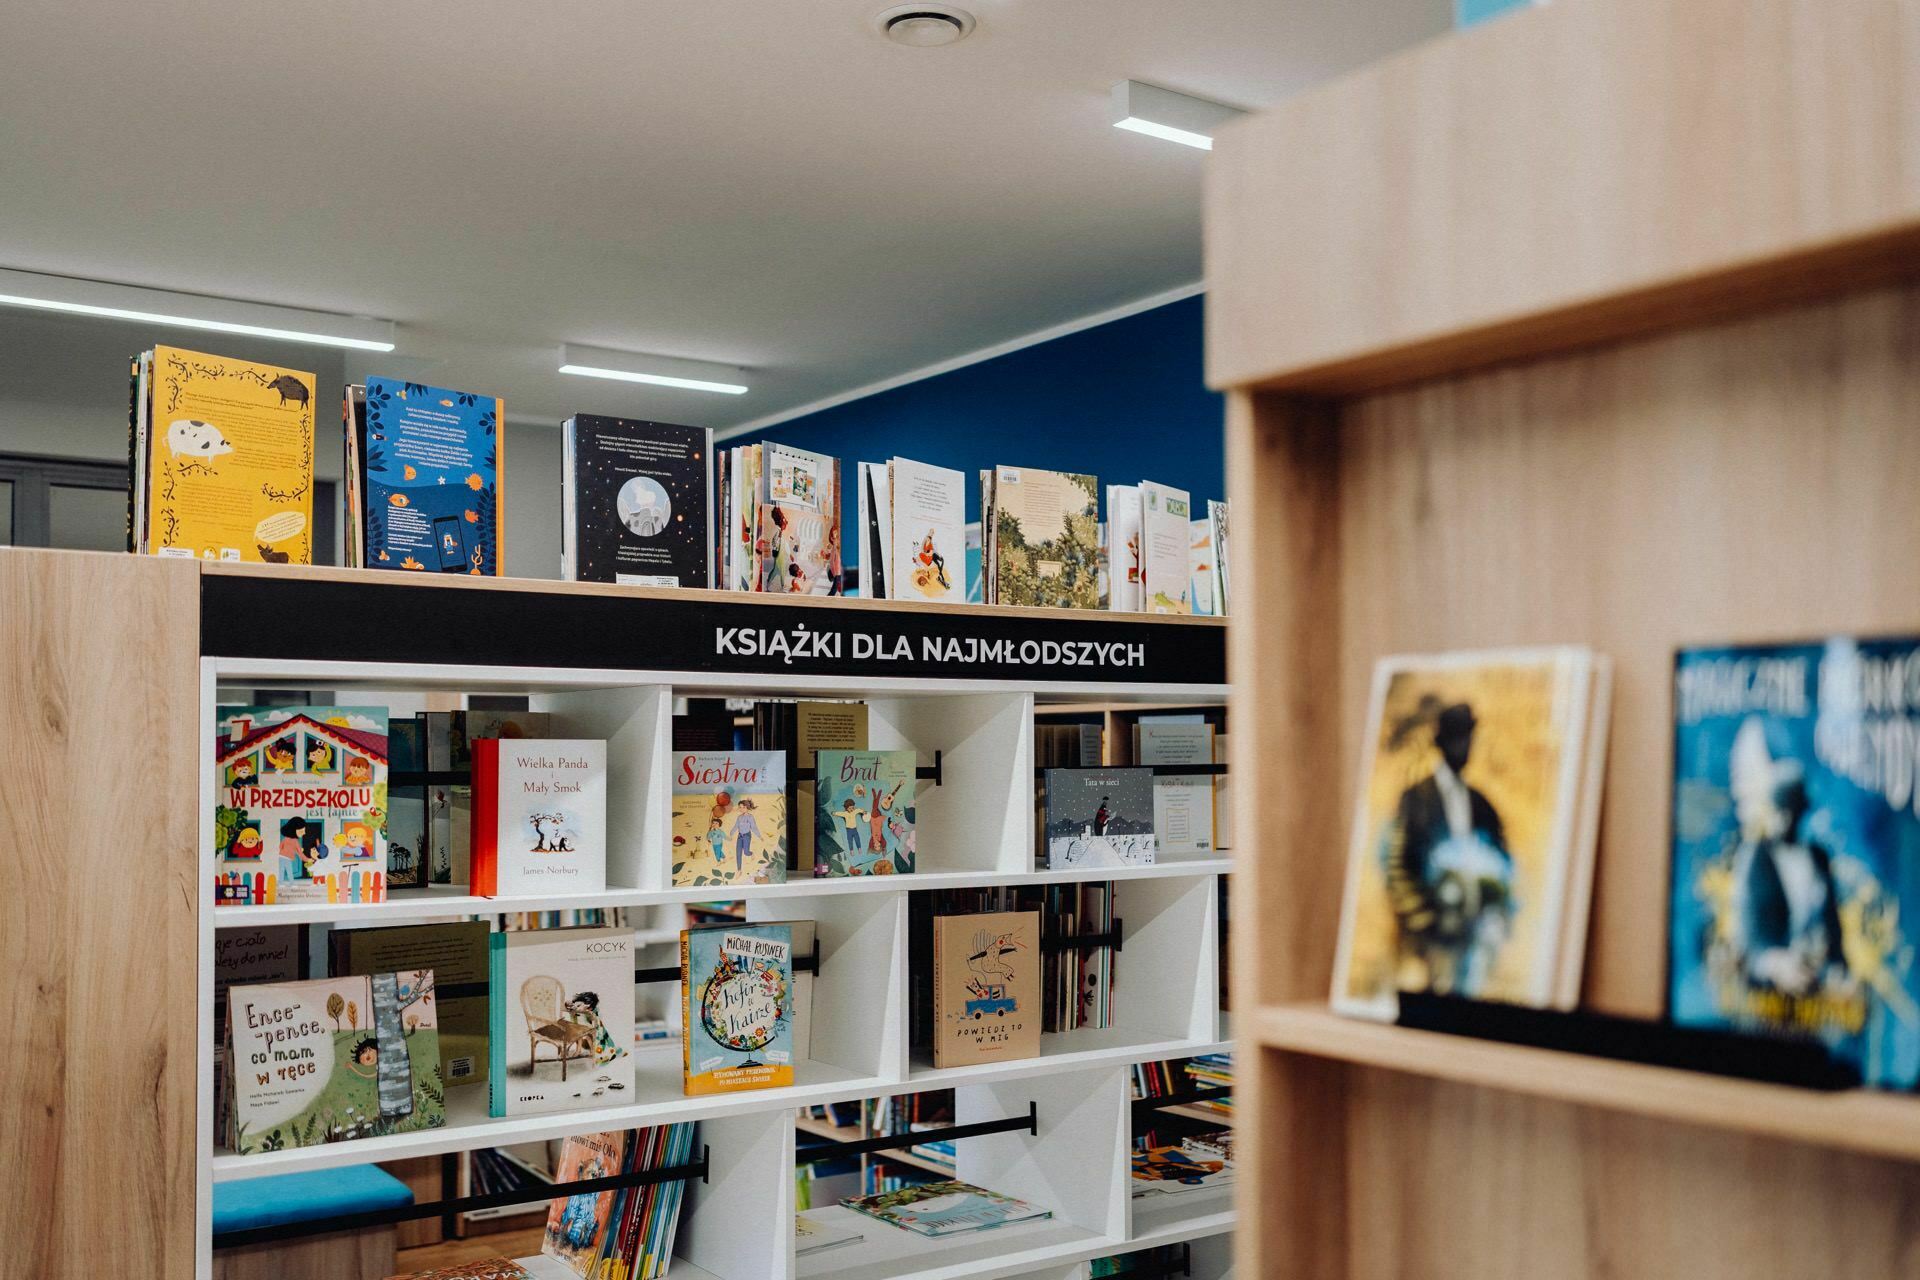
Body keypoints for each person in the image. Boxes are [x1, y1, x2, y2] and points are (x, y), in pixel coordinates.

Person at [1383, 701, 1514, 996]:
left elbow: (1503, 860)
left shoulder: (1480, 804)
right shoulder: (1417, 799)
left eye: (1469, 739)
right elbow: (1397, 866)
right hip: (1429, 938)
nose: (1465, 747)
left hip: (1473, 935)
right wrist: (1426, 922)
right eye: (1459, 738)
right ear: (1443, 743)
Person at [731, 799, 763, 874]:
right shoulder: (739, 817)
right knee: (738, 853)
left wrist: (759, 836)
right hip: (740, 836)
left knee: (746, 852)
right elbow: (736, 826)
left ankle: (751, 853)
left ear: (746, 807)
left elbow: (754, 828)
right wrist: (731, 834)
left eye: (742, 807)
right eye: (739, 807)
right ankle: (739, 870)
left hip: (747, 836)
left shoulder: (750, 817)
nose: (740, 809)